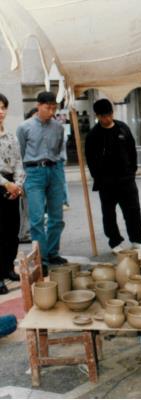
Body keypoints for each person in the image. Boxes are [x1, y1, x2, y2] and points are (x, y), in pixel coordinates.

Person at [85, 99, 141, 254]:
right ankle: (114, 242)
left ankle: (137, 239)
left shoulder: (123, 128)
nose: (107, 119)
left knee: (133, 211)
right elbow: (90, 160)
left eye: (109, 115)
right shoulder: (93, 135)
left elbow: (132, 151)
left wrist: (132, 172)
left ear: (113, 113)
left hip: (126, 179)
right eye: (103, 116)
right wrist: (98, 178)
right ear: (97, 116)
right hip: (106, 182)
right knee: (109, 214)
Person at [17, 91, 67, 274]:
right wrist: (21, 179)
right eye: (48, 107)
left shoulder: (58, 127)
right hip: (33, 172)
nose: (51, 111)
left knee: (57, 217)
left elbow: (60, 150)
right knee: (37, 218)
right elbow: (21, 154)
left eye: (54, 108)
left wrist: (60, 171)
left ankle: (53, 252)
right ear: (38, 106)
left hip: (54, 171)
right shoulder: (24, 127)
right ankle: (41, 258)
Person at [0, 93, 25, 294]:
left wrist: (17, 184)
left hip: (12, 188)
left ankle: (8, 268)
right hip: (1, 184)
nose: (0, 111)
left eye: (3, 107)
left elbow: (18, 162)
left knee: (12, 232)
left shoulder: (11, 136)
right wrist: (6, 184)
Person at [18, 107, 38, 244]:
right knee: (27, 207)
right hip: (27, 173)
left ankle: (26, 232)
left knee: (30, 207)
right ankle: (25, 233)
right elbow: (21, 154)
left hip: (35, 174)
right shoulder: (24, 131)